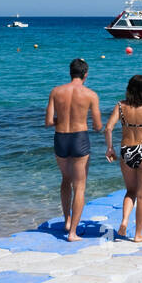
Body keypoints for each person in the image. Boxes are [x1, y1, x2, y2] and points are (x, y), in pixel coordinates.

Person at [45, 58, 102, 241]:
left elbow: (48, 122)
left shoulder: (56, 91)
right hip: (79, 138)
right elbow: (98, 126)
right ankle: (73, 233)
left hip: (60, 137)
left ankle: (67, 221)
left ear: (70, 73)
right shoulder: (90, 94)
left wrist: (62, 120)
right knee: (79, 186)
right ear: (85, 74)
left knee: (65, 179)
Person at [105, 74, 142, 242]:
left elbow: (108, 128)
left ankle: (124, 220)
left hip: (126, 151)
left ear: (129, 89)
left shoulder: (120, 106)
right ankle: (138, 234)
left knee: (130, 191)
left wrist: (110, 149)